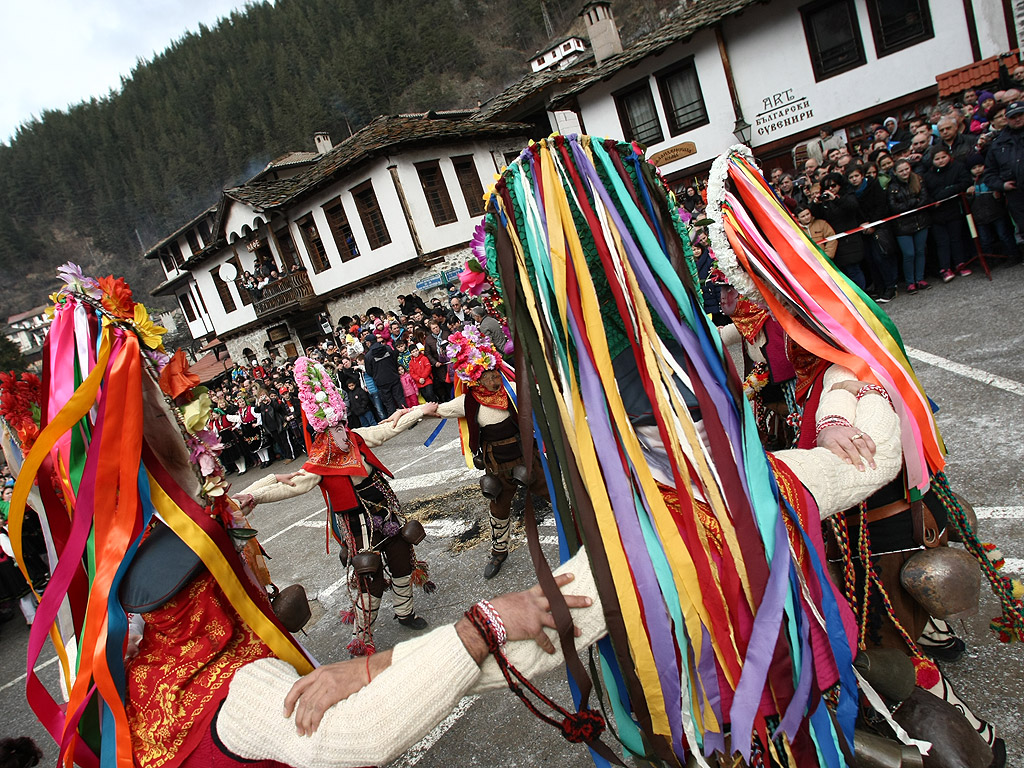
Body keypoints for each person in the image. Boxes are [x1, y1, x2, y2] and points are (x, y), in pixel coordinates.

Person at [238, 359, 438, 656]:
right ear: (325, 434)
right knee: (368, 579)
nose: (344, 433)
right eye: (337, 430)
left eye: (343, 426)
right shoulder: (321, 460)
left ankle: (404, 612)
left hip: (386, 513)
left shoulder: (357, 438)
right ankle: (363, 635)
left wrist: (421, 410)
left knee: (401, 563)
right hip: (357, 524)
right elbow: (294, 485)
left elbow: (387, 430)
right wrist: (255, 497)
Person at [431, 330, 548, 579]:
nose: (495, 379)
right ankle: (499, 551)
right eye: (489, 376)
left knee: (554, 494)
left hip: (526, 458)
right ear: (476, 379)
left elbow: (542, 390)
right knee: (498, 511)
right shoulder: (469, 402)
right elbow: (436, 410)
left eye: (496, 373)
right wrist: (405, 415)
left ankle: (581, 530)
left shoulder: (512, 389)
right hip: (496, 467)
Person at [921, 147, 974, 281]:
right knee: (942, 242)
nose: (940, 161)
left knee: (956, 238)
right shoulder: (927, 176)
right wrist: (933, 202)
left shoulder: (958, 168)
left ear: (949, 156)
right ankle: (945, 268)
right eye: (937, 159)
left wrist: (945, 193)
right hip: (937, 215)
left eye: (943, 157)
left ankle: (961, 263)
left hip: (954, 210)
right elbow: (924, 195)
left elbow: (965, 182)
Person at [847, 164, 898, 301]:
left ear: (862, 175)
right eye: (851, 177)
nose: (854, 179)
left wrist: (873, 223)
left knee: (881, 258)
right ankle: (879, 287)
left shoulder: (873, 185)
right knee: (870, 260)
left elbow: (881, 206)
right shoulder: (850, 192)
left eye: (856, 176)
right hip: (862, 229)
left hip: (878, 227)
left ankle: (891, 287)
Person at [810, 172, 867, 289]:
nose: (831, 189)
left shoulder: (847, 195)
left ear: (840, 185)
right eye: (827, 187)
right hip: (835, 241)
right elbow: (815, 215)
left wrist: (835, 199)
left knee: (854, 270)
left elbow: (852, 206)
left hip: (850, 240)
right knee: (844, 273)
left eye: (833, 186)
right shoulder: (825, 202)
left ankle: (864, 297)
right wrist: (816, 204)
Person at [887, 159, 932, 294]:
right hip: (902, 226)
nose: (904, 172)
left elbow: (924, 199)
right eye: (901, 170)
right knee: (909, 254)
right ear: (895, 172)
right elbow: (894, 207)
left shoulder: (918, 180)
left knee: (920, 251)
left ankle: (920, 279)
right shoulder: (892, 187)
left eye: (906, 169)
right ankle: (910, 282)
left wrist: (910, 205)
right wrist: (913, 202)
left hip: (920, 221)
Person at [982, 100, 1024, 234]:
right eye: (1013, 117)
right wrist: (1002, 185)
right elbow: (989, 173)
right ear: (1007, 119)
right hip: (1017, 197)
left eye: (1020, 114)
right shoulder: (997, 144)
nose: (1017, 119)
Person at [967, 152, 1019, 258]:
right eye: (974, 168)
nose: (977, 169)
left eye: (980, 166)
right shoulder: (969, 183)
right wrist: (969, 194)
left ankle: (1013, 254)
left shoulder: (990, 178)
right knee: (985, 240)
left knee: (1004, 235)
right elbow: (968, 202)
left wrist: (998, 196)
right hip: (980, 216)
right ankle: (991, 259)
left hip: (996, 212)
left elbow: (1000, 194)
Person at [363, 335, 404, 417]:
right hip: (393, 377)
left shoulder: (368, 356)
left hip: (381, 382)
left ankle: (396, 424)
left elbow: (369, 372)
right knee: (400, 400)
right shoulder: (387, 348)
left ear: (368, 343)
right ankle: (409, 420)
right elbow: (394, 360)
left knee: (389, 404)